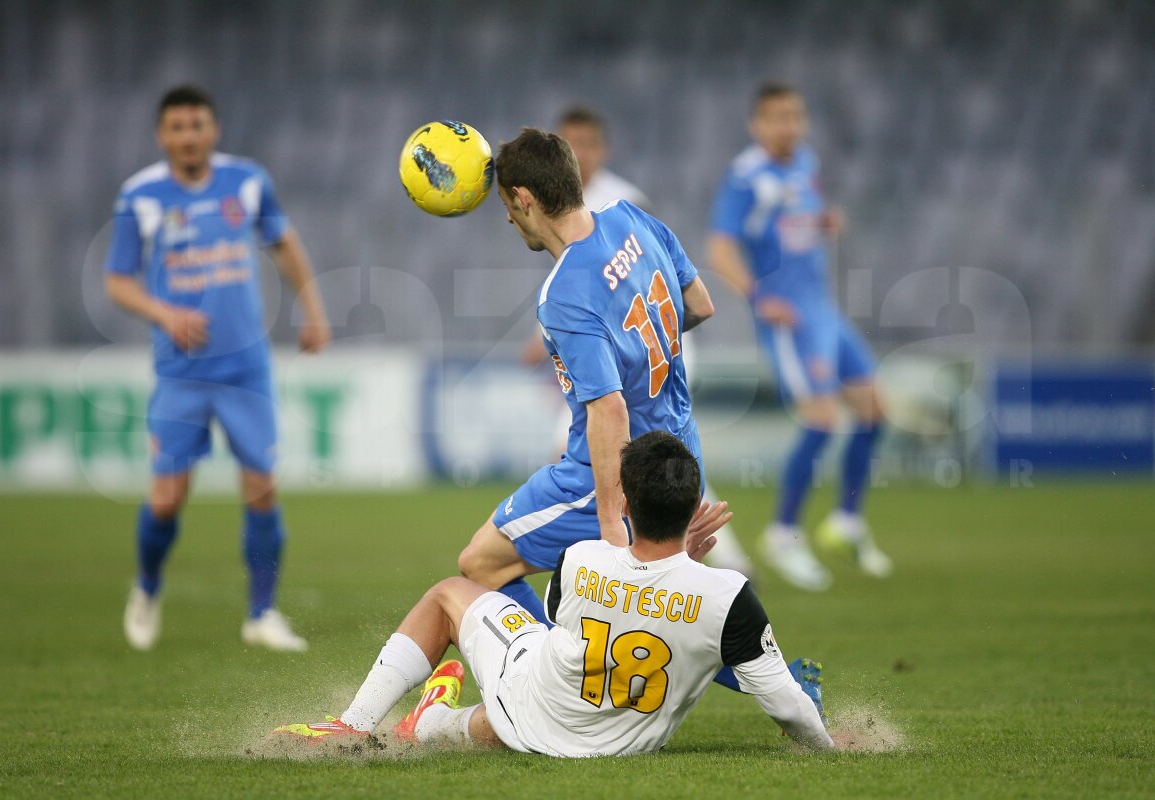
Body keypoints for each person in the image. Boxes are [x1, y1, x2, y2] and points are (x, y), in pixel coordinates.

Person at [274, 431, 833, 756]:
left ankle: (354, 726)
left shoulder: (579, 559)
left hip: (538, 717)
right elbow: (790, 708)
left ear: (626, 507)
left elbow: (567, 628)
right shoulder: (728, 595)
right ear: (693, 508)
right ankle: (425, 724)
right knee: (538, 699)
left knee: (452, 592)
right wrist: (829, 749)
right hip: (624, 745)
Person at [455, 127, 717, 628]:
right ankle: (777, 675)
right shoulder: (631, 218)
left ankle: (553, 665)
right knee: (655, 605)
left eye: (508, 206)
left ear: (525, 199)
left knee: (480, 564)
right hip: (682, 448)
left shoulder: (564, 294)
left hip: (622, 468)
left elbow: (609, 410)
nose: (509, 219)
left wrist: (609, 528)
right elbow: (700, 305)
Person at [104, 85, 331, 651]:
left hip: (245, 370)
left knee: (261, 490)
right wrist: (163, 313)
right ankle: (148, 587)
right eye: (177, 127)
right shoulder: (140, 196)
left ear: (215, 129)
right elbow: (117, 281)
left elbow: (286, 246)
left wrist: (313, 309)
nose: (188, 136)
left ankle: (262, 614)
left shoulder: (247, 182)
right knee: (166, 500)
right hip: (180, 373)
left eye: (197, 125)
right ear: (163, 136)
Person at [522, 109, 755, 576]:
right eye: (572, 144)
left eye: (587, 143)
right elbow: (582, 299)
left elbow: (615, 290)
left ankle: (619, 566)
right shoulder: (570, 207)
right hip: (637, 349)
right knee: (662, 467)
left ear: (600, 150)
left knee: (616, 466)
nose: (581, 153)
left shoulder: (619, 200)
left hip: (643, 354)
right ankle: (707, 562)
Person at [707, 81, 892, 592]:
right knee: (823, 419)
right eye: (777, 117)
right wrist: (758, 296)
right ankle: (783, 535)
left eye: (795, 115)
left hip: (824, 310)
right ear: (757, 124)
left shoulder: (804, 163)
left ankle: (846, 524)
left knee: (876, 410)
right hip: (789, 318)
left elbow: (795, 223)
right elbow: (721, 248)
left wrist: (824, 221)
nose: (788, 125)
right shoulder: (746, 177)